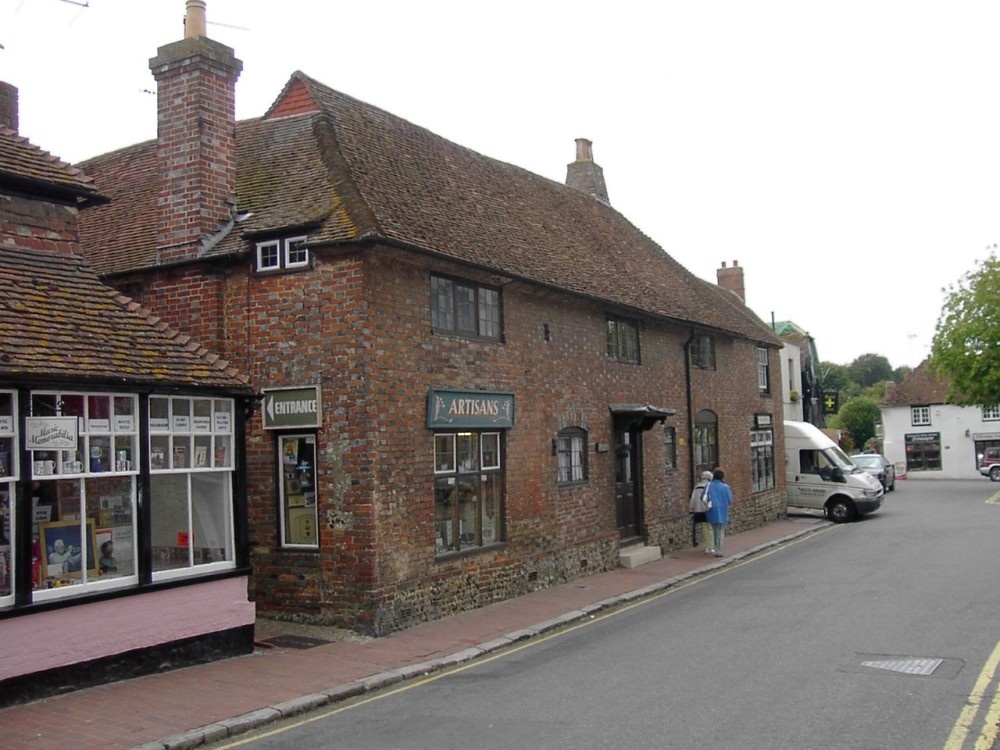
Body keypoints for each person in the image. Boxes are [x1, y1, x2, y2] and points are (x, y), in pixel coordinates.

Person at [705, 468, 733, 558]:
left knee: (714, 530)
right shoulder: (726, 487)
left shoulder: (709, 486)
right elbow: (730, 500)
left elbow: (703, 498)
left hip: (711, 511)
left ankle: (716, 548)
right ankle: (719, 551)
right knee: (720, 531)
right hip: (722, 511)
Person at [688, 470, 715, 554]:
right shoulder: (710, 486)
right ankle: (712, 547)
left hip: (699, 511)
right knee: (711, 528)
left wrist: (691, 509)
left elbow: (692, 499)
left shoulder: (697, 487)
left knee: (705, 529)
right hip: (709, 510)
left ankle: (707, 547)